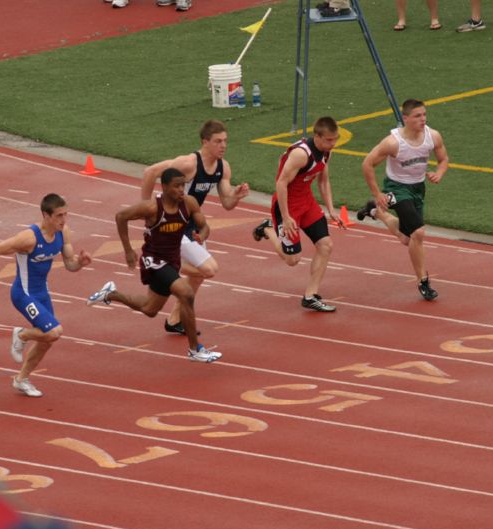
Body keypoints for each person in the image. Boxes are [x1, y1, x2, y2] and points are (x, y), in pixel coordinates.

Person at [0, 194, 92, 397]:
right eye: (58, 216)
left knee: (47, 340)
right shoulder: (29, 238)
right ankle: (21, 335)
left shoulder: (63, 233)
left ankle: (21, 380)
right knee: (55, 332)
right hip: (23, 294)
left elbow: (70, 264)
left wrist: (80, 263)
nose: (63, 220)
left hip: (42, 294)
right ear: (45, 215)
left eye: (66, 214)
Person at [87, 168, 221, 363]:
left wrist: (202, 235)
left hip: (173, 260)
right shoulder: (152, 208)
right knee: (186, 293)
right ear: (165, 187)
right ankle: (195, 349)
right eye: (176, 186)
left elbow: (204, 225)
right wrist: (127, 250)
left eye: (183, 185)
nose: (181, 190)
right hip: (154, 261)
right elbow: (121, 216)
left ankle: (110, 294)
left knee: (150, 309)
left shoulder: (189, 204)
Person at [141, 120, 249, 336]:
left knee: (198, 277)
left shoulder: (222, 167)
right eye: (218, 141)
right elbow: (150, 172)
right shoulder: (189, 163)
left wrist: (236, 196)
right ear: (205, 142)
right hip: (169, 224)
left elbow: (226, 203)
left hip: (190, 224)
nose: (223, 145)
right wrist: (146, 208)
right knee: (208, 269)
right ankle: (163, 265)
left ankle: (175, 320)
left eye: (225, 141)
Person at [357, 99, 449, 301]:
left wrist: (439, 173)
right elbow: (367, 164)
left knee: (407, 238)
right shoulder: (393, 142)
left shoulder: (432, 136)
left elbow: (443, 159)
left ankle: (376, 211)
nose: (423, 119)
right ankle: (423, 281)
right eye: (417, 116)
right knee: (418, 232)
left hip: (418, 189)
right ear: (405, 119)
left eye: (424, 114)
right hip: (397, 187)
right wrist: (377, 193)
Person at [252, 116, 343, 312]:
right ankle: (268, 228)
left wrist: (331, 209)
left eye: (335, 139)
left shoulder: (326, 153)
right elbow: (281, 183)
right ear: (317, 136)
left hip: (307, 202)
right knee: (293, 260)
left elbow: (323, 181)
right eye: (329, 140)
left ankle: (310, 296)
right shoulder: (301, 155)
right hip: (287, 205)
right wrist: (285, 217)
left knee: (326, 245)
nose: (333, 143)